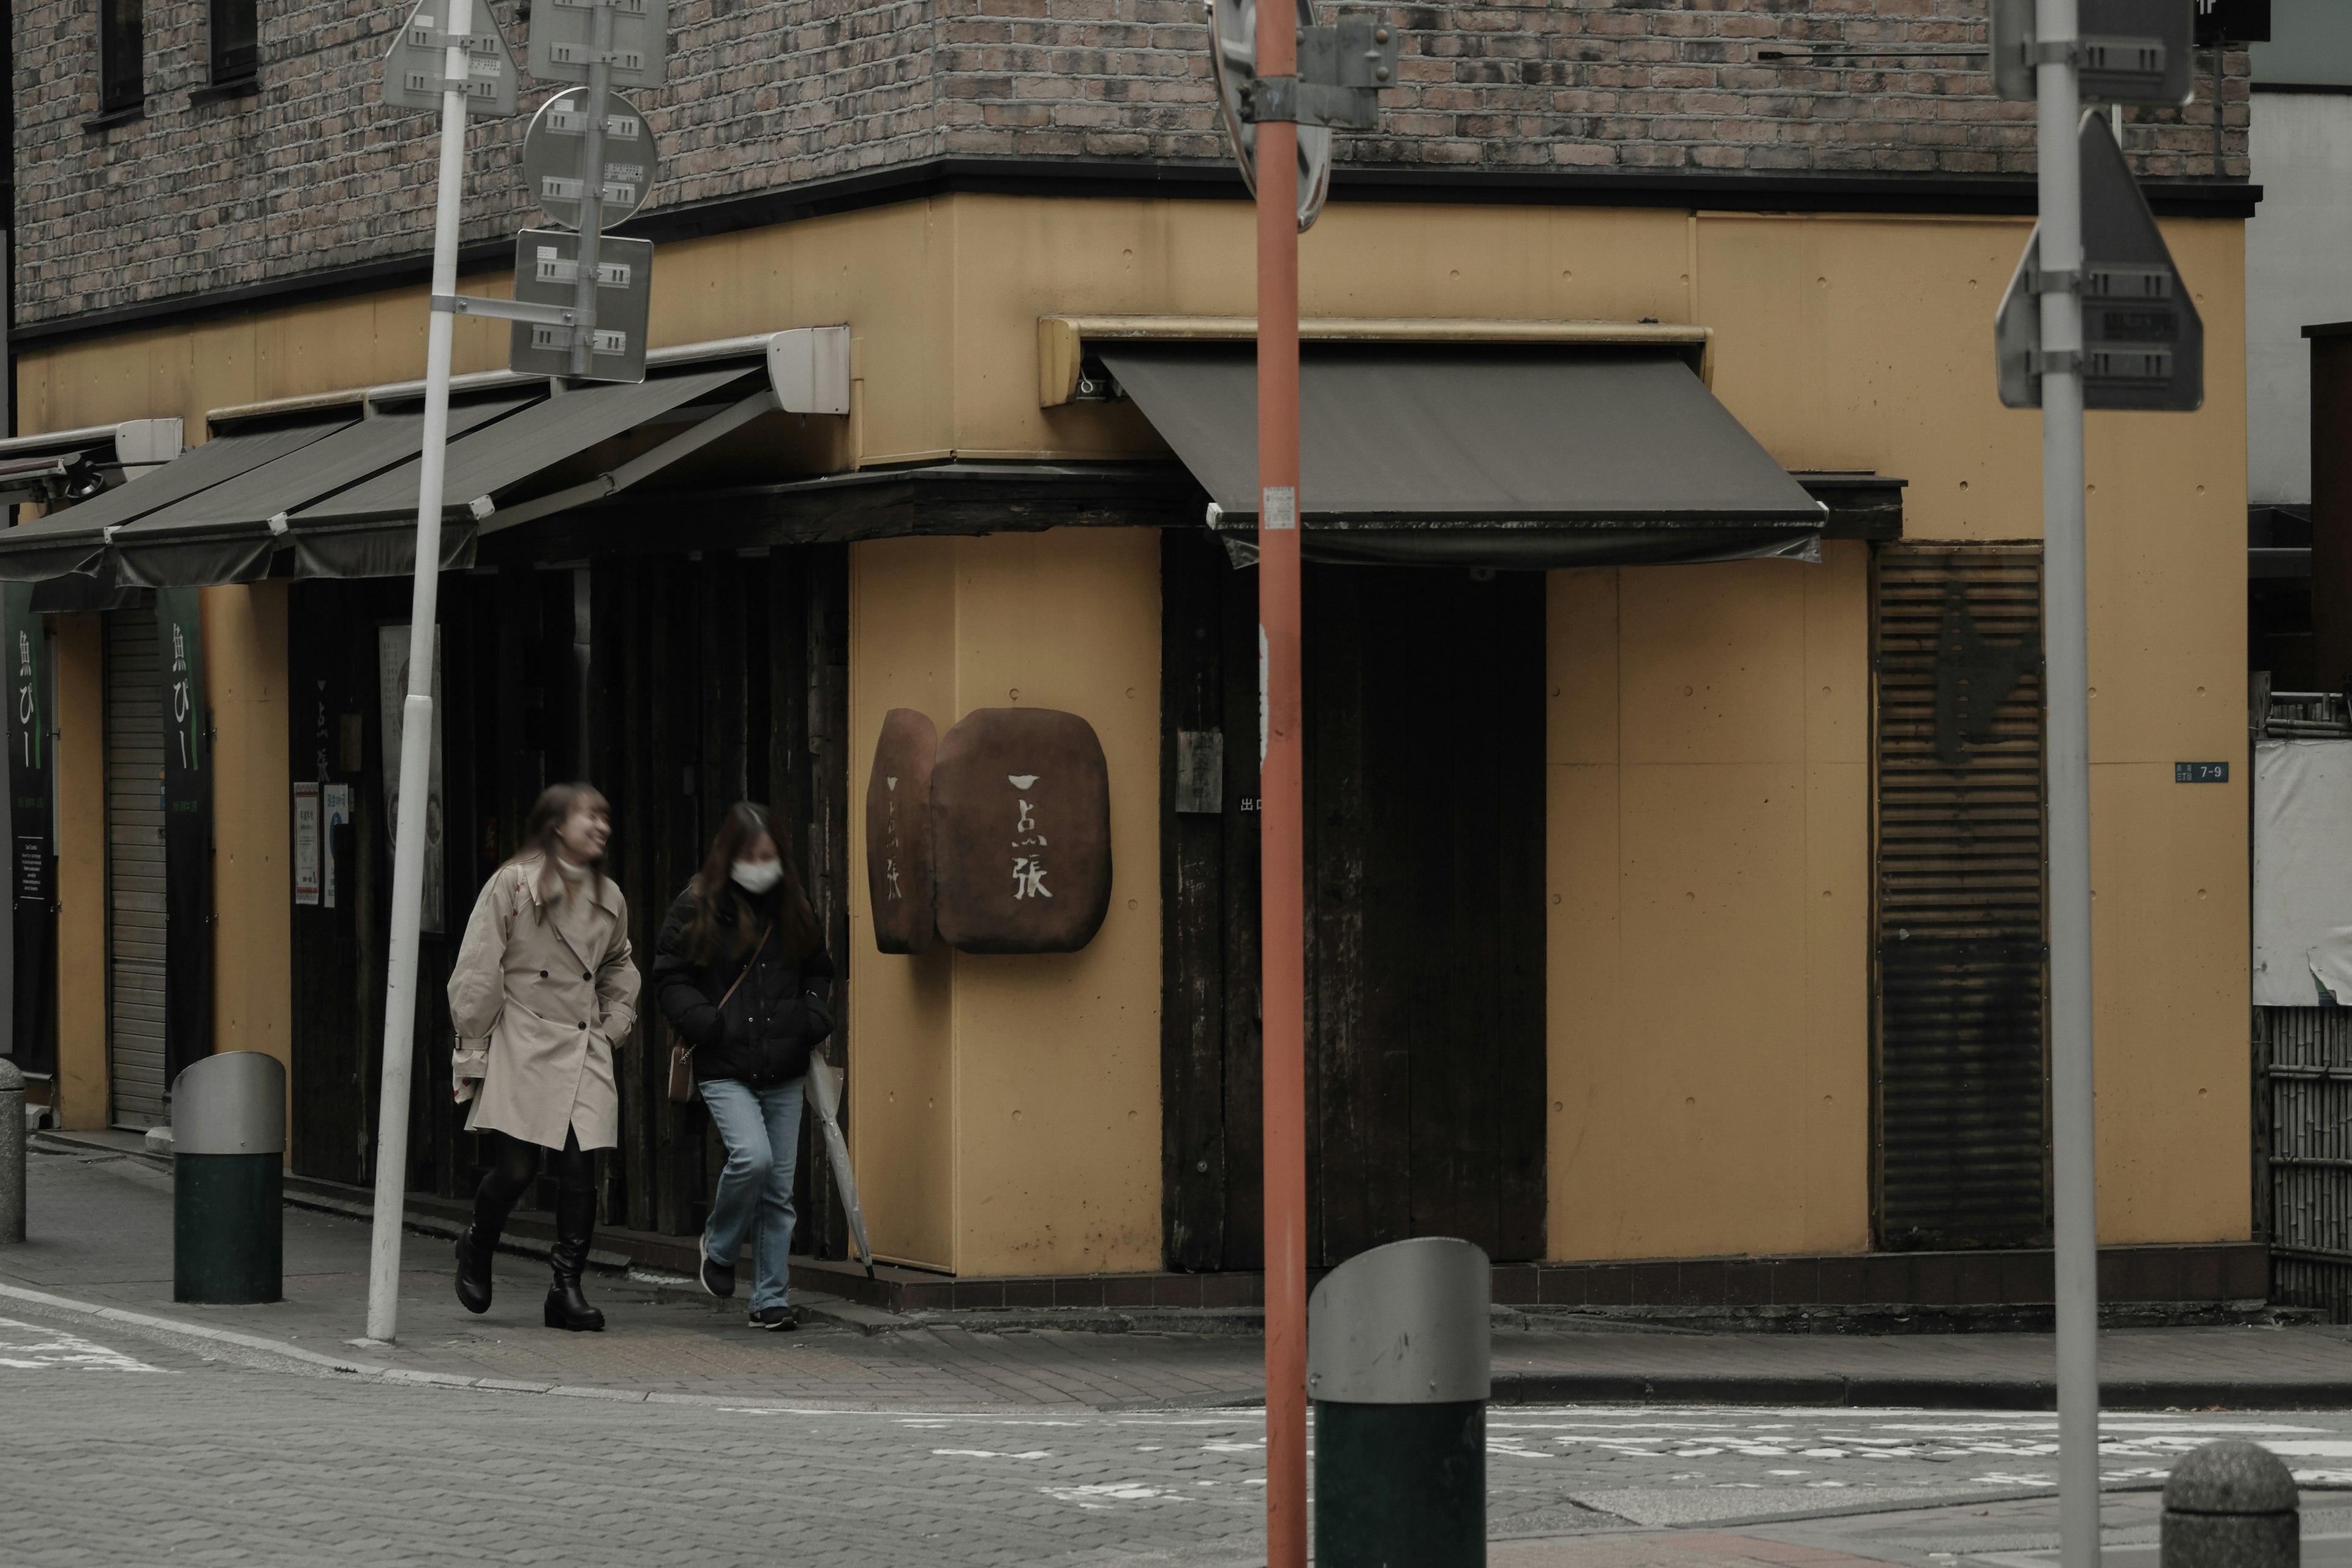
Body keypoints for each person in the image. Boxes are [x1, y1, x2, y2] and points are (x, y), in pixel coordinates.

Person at [447, 783, 640, 1333]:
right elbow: (479, 965)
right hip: (524, 1036)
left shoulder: (611, 897)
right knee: (517, 1168)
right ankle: (478, 1244)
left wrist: (614, 1021)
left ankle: (566, 1287)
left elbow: (621, 964)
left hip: (582, 1041)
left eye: (606, 818)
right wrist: (473, 1048)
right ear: (557, 824)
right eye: (589, 817)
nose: (601, 827)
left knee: (582, 1166)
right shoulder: (513, 884)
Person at [652, 801, 835, 1330]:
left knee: (779, 1190)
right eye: (751, 854)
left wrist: (813, 1014)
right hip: (723, 1064)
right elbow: (669, 976)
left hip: (785, 1063)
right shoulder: (697, 906)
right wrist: (704, 1022)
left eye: (769, 853)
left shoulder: (794, 905)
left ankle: (771, 1299)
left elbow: (819, 968)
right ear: (729, 854)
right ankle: (721, 1245)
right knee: (752, 1159)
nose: (761, 862)